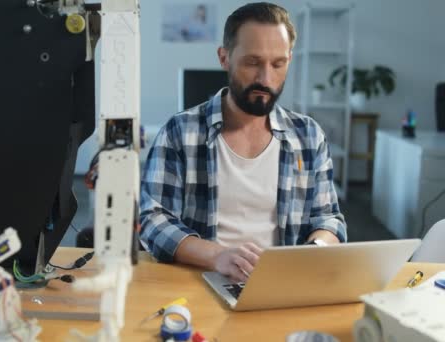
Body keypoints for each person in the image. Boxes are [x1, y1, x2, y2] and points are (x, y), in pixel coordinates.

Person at [140, 2, 347, 283]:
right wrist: (218, 256)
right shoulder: (180, 131)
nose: (266, 78)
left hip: (282, 284)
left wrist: (312, 252)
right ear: (224, 58)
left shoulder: (308, 135)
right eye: (252, 62)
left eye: (278, 64)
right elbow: (153, 222)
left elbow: (329, 220)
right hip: (202, 281)